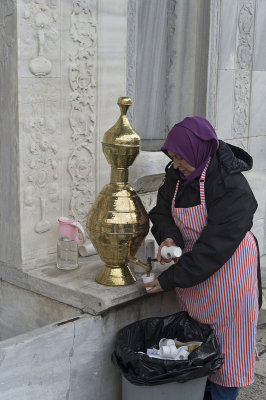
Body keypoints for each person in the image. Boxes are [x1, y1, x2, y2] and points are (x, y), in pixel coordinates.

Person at [144, 116, 262, 400]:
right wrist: (170, 238)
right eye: (172, 157)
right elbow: (161, 212)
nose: (175, 163)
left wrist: (171, 278)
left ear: (198, 151)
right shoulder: (176, 176)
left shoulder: (231, 185)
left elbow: (214, 246)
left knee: (226, 353)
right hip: (194, 273)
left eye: (180, 157)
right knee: (196, 347)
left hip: (230, 272)